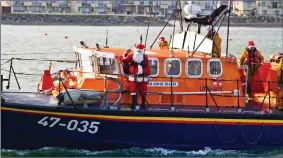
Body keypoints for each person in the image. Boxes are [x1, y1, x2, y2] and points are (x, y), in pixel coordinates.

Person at [121, 43, 151, 110]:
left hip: (142, 77)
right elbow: (123, 59)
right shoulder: (131, 56)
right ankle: (134, 104)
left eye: (140, 50)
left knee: (143, 90)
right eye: (138, 50)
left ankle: (143, 104)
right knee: (133, 90)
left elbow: (148, 67)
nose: (139, 51)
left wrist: (148, 76)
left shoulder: (145, 57)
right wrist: (126, 53)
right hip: (133, 76)